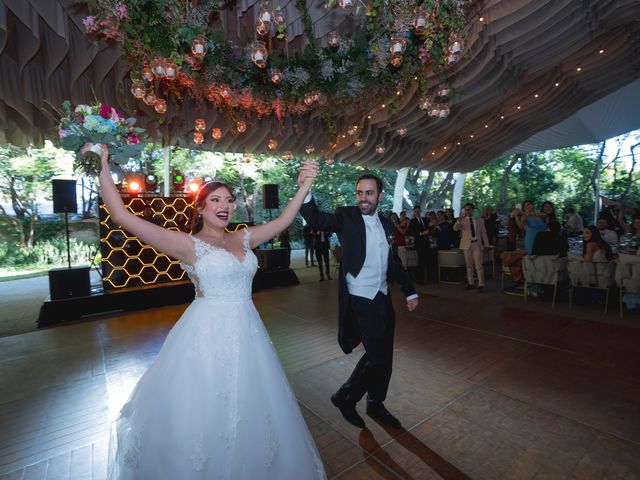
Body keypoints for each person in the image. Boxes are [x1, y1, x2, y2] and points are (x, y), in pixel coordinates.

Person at [95, 144, 326, 480]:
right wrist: (101, 163)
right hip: (206, 337)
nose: (225, 206)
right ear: (201, 207)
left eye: (229, 200)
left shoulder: (243, 239)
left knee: (252, 409)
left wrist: (305, 183)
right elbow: (122, 216)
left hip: (249, 335)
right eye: (216, 200)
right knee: (206, 411)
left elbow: (284, 220)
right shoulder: (187, 245)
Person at [299, 167, 418, 429]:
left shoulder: (387, 223)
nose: (363, 198)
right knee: (377, 356)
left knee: (383, 354)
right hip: (360, 297)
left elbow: (393, 261)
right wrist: (306, 188)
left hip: (383, 296)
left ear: (380, 195)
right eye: (359, 193)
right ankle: (345, 396)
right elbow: (317, 218)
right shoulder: (346, 216)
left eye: (369, 193)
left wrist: (408, 289)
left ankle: (375, 402)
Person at [454, 202, 490, 292]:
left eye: (469, 209)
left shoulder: (479, 220)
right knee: (469, 265)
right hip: (466, 245)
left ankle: (481, 284)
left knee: (478, 265)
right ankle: (471, 283)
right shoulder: (462, 220)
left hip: (477, 244)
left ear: (473, 210)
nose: (467, 211)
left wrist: (486, 245)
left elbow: (484, 233)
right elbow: (455, 229)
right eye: (465, 210)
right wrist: (459, 219)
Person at [408, 205, 429, 283]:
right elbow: (410, 232)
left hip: (426, 242)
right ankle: (420, 279)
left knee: (426, 260)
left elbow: (428, 228)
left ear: (420, 211)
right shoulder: (412, 221)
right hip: (419, 242)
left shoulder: (424, 219)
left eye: (418, 211)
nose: (417, 212)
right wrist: (421, 233)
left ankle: (427, 277)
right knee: (420, 260)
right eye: (416, 211)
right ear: (414, 212)